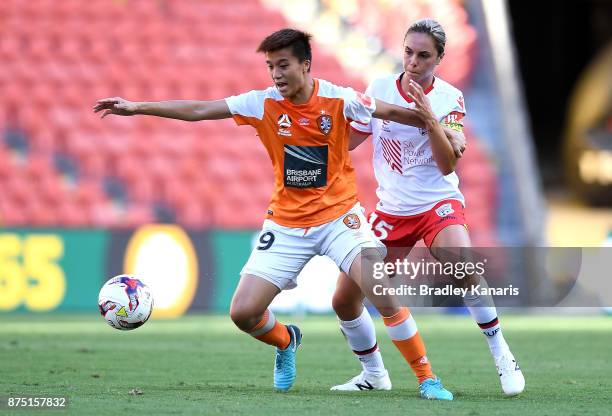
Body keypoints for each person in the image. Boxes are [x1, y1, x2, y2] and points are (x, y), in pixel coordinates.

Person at [93, 28, 455, 399]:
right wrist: (137, 107)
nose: (276, 74)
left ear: (306, 64)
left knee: (381, 289)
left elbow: (394, 113)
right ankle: (286, 341)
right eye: (270, 67)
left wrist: (440, 128)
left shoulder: (340, 99)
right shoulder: (261, 103)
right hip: (285, 224)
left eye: (283, 65)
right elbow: (201, 108)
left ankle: (428, 379)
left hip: (340, 220)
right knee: (243, 313)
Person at [330, 19, 525, 397]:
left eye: (423, 56)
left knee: (461, 264)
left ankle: (502, 353)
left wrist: (428, 116)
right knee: (343, 299)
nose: (413, 62)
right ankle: (373, 373)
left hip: (437, 202)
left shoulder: (449, 98)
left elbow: (447, 165)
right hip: (392, 211)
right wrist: (330, 123)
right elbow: (351, 141)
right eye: (408, 52)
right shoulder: (381, 88)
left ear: (439, 59)